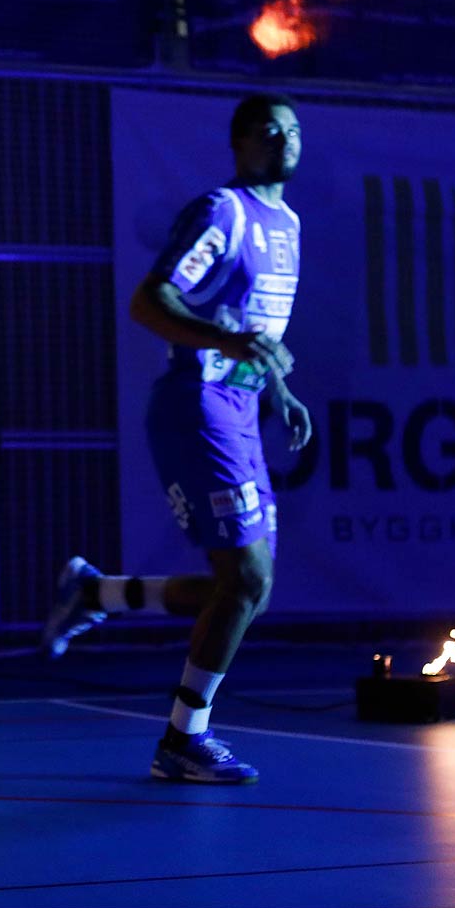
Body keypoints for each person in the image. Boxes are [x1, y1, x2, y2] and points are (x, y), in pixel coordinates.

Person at [41, 93, 312, 785]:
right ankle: (181, 741)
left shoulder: (289, 223)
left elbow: (254, 331)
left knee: (249, 590)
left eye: (293, 129)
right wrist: (227, 344)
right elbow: (148, 301)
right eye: (268, 129)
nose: (283, 138)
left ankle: (96, 596)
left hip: (244, 406)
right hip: (199, 404)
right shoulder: (223, 210)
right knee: (246, 578)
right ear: (240, 142)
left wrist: (279, 390)